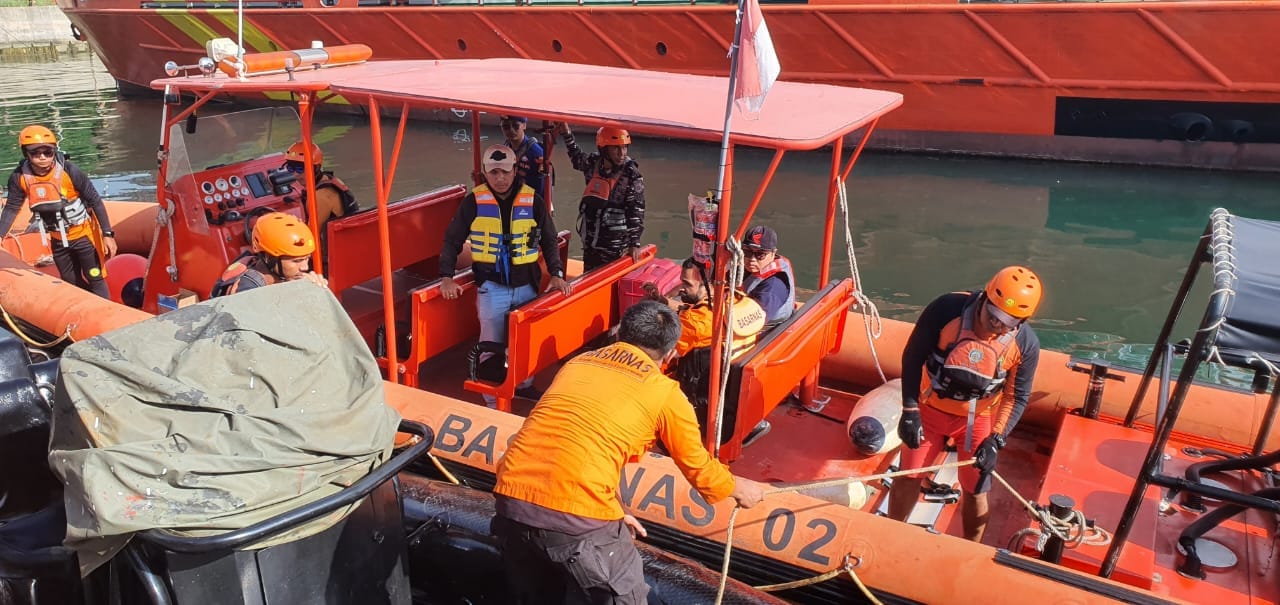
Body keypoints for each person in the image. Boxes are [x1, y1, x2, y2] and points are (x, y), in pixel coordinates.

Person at [491, 301, 767, 604]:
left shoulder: (578, 364)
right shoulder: (665, 393)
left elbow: (581, 443)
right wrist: (740, 488)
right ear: (672, 352)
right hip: (576, 516)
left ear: (621, 331)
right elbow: (700, 469)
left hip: (509, 500)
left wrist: (616, 510)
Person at [887, 266, 1043, 542]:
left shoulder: (1025, 344)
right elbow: (913, 357)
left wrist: (996, 440)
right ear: (984, 298)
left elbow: (1016, 396)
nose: (996, 325)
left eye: (1007, 321)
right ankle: (891, 533)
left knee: (976, 488)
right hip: (929, 410)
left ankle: (971, 548)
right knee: (908, 476)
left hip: (976, 420)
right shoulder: (946, 310)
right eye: (993, 315)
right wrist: (910, 410)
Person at [439, 144, 572, 405]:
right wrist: (446, 276)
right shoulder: (473, 202)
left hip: (526, 287)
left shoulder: (533, 200)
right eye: (494, 172)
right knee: (490, 343)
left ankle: (523, 386)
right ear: (485, 174)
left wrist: (557, 273)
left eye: (505, 171)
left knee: (524, 341)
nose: (500, 178)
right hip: (492, 287)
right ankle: (491, 397)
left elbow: (548, 238)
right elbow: (452, 240)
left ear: (514, 171)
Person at [1, 124, 116, 298]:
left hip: (84, 235)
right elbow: (11, 208)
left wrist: (108, 234)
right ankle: (86, 309)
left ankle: (107, 315)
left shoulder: (69, 171)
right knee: (70, 281)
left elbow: (95, 200)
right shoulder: (19, 177)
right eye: (35, 153)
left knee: (95, 277)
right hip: (58, 239)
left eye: (48, 152)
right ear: (26, 154)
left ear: (54, 151)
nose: (42, 158)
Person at [558, 122, 645, 272]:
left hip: (614, 246)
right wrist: (567, 134)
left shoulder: (631, 174)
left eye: (624, 147)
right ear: (604, 149)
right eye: (616, 148)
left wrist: (634, 243)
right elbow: (577, 158)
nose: (621, 153)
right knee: (588, 274)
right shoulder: (593, 164)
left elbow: (636, 211)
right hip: (590, 242)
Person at [211, 211, 328, 296]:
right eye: (296, 261)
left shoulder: (279, 276)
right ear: (269, 257)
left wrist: (315, 291)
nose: (305, 267)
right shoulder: (248, 289)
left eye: (307, 258)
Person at [283, 141, 358, 226]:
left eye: (300, 169)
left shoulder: (321, 196)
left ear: (316, 168)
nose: (295, 174)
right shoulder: (327, 179)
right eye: (290, 168)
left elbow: (311, 234)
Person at [741, 225, 794, 330]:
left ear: (773, 253)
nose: (752, 259)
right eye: (747, 252)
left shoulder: (774, 286)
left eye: (760, 254)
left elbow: (752, 321)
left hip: (767, 333)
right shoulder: (750, 268)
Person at [499, 116, 545, 198]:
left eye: (516, 126)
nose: (511, 130)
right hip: (511, 195)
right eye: (506, 127)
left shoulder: (536, 152)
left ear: (524, 125)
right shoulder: (504, 149)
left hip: (530, 199)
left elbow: (540, 186)